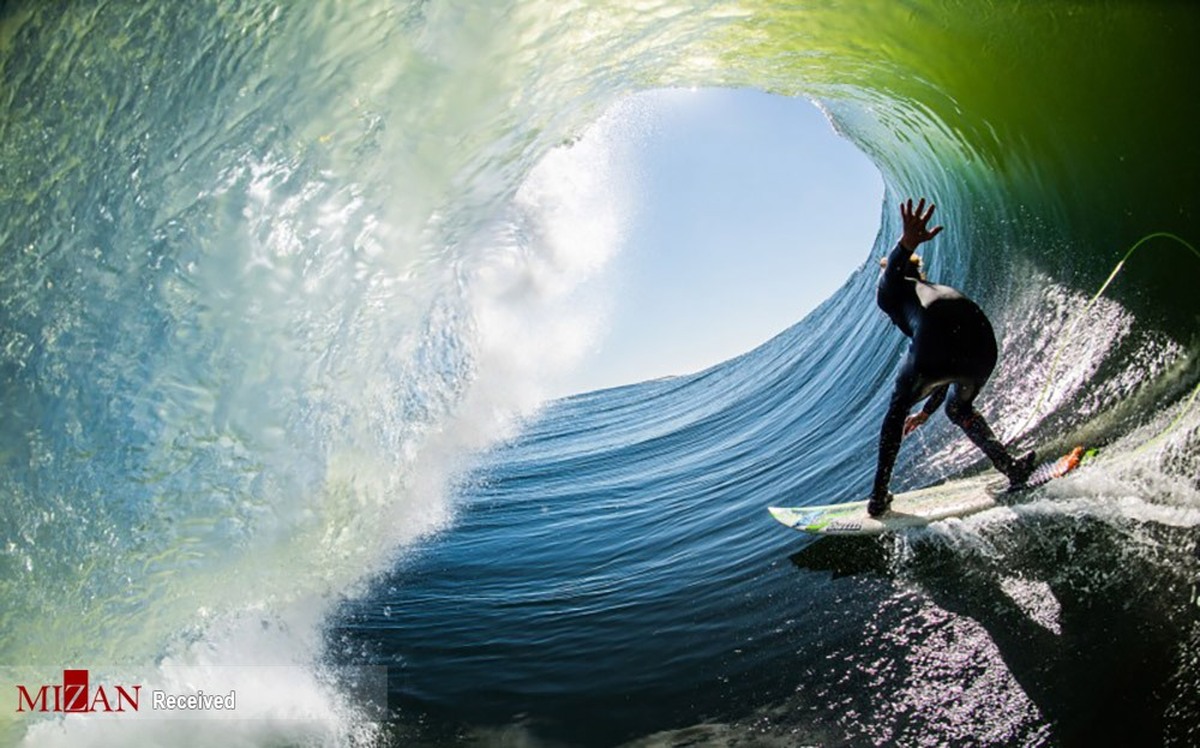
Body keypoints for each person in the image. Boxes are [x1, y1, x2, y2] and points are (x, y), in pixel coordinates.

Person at [868, 198, 1035, 517]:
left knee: (897, 406)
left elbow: (892, 275)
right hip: (982, 345)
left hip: (936, 343)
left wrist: (905, 244)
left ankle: (878, 497)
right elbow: (946, 365)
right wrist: (927, 413)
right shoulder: (933, 289)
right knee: (959, 409)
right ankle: (1010, 467)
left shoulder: (891, 289)